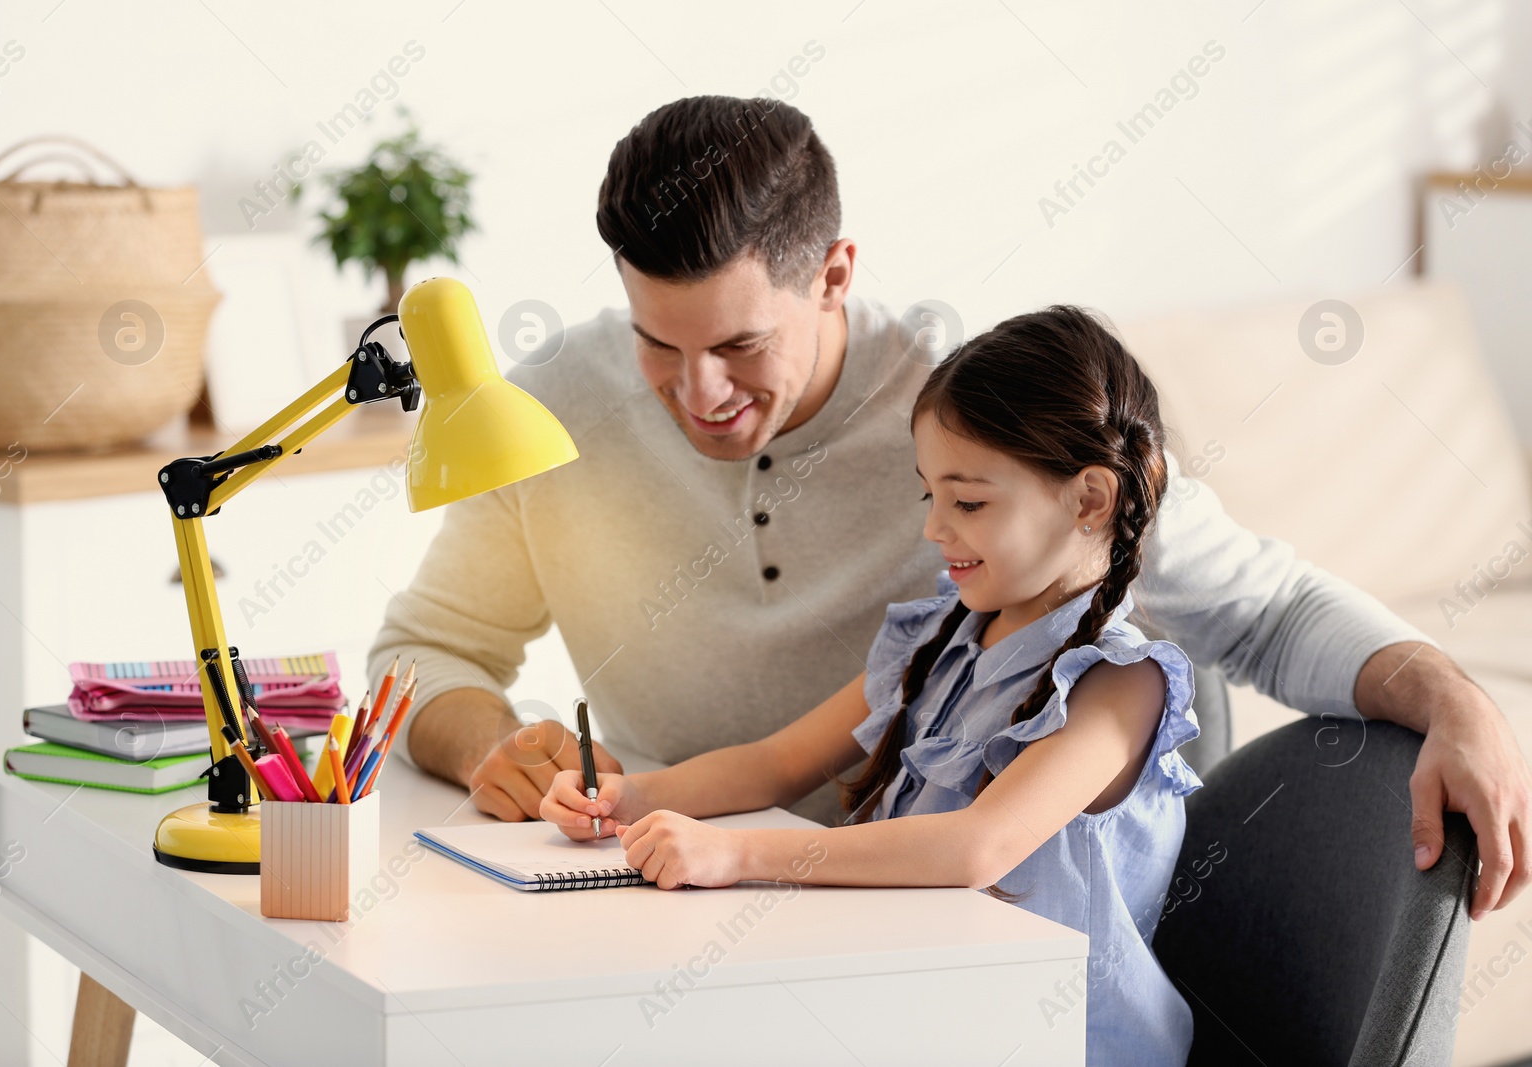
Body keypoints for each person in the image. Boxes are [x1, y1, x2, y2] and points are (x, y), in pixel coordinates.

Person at [367, 94, 1531, 919]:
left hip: (912, 922)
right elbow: (427, 648)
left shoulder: (980, 418)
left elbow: (1265, 610)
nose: (698, 394)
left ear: (832, 273)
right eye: (655, 344)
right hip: (677, 895)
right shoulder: (551, 405)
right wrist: (491, 749)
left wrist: (1455, 701)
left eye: (738, 344)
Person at [543, 306, 1199, 1064]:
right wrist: (636, 798)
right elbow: (777, 761)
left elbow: (976, 846)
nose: (934, 529)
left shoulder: (1122, 686)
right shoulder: (941, 637)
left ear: (1088, 500)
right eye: (931, 497)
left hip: (1052, 1045)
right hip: (913, 1014)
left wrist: (734, 853)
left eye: (970, 502)